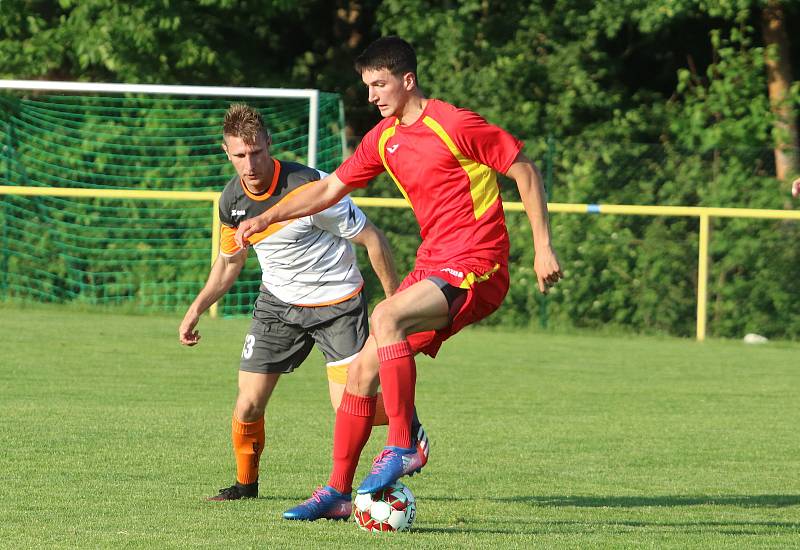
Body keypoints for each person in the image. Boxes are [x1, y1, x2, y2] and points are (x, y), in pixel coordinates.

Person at [234, 37, 563, 521]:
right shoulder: (384, 139)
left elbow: (524, 170)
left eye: (379, 84)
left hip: (479, 263)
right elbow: (327, 188)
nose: (371, 95)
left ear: (408, 80)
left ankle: (404, 444)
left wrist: (542, 247)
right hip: (433, 265)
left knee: (385, 315)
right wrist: (267, 217)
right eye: (366, 85)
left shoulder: (455, 123)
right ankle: (337, 493)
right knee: (360, 375)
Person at [179, 103, 428, 505]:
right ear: (227, 154)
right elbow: (230, 264)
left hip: (338, 304)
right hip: (278, 306)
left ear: (269, 145)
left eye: (257, 151)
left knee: (348, 407)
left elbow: (374, 239)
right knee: (247, 403)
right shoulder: (231, 202)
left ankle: (408, 427)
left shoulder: (310, 187)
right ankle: (245, 486)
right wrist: (195, 309)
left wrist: (396, 305)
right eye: (240, 155)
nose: (250, 163)